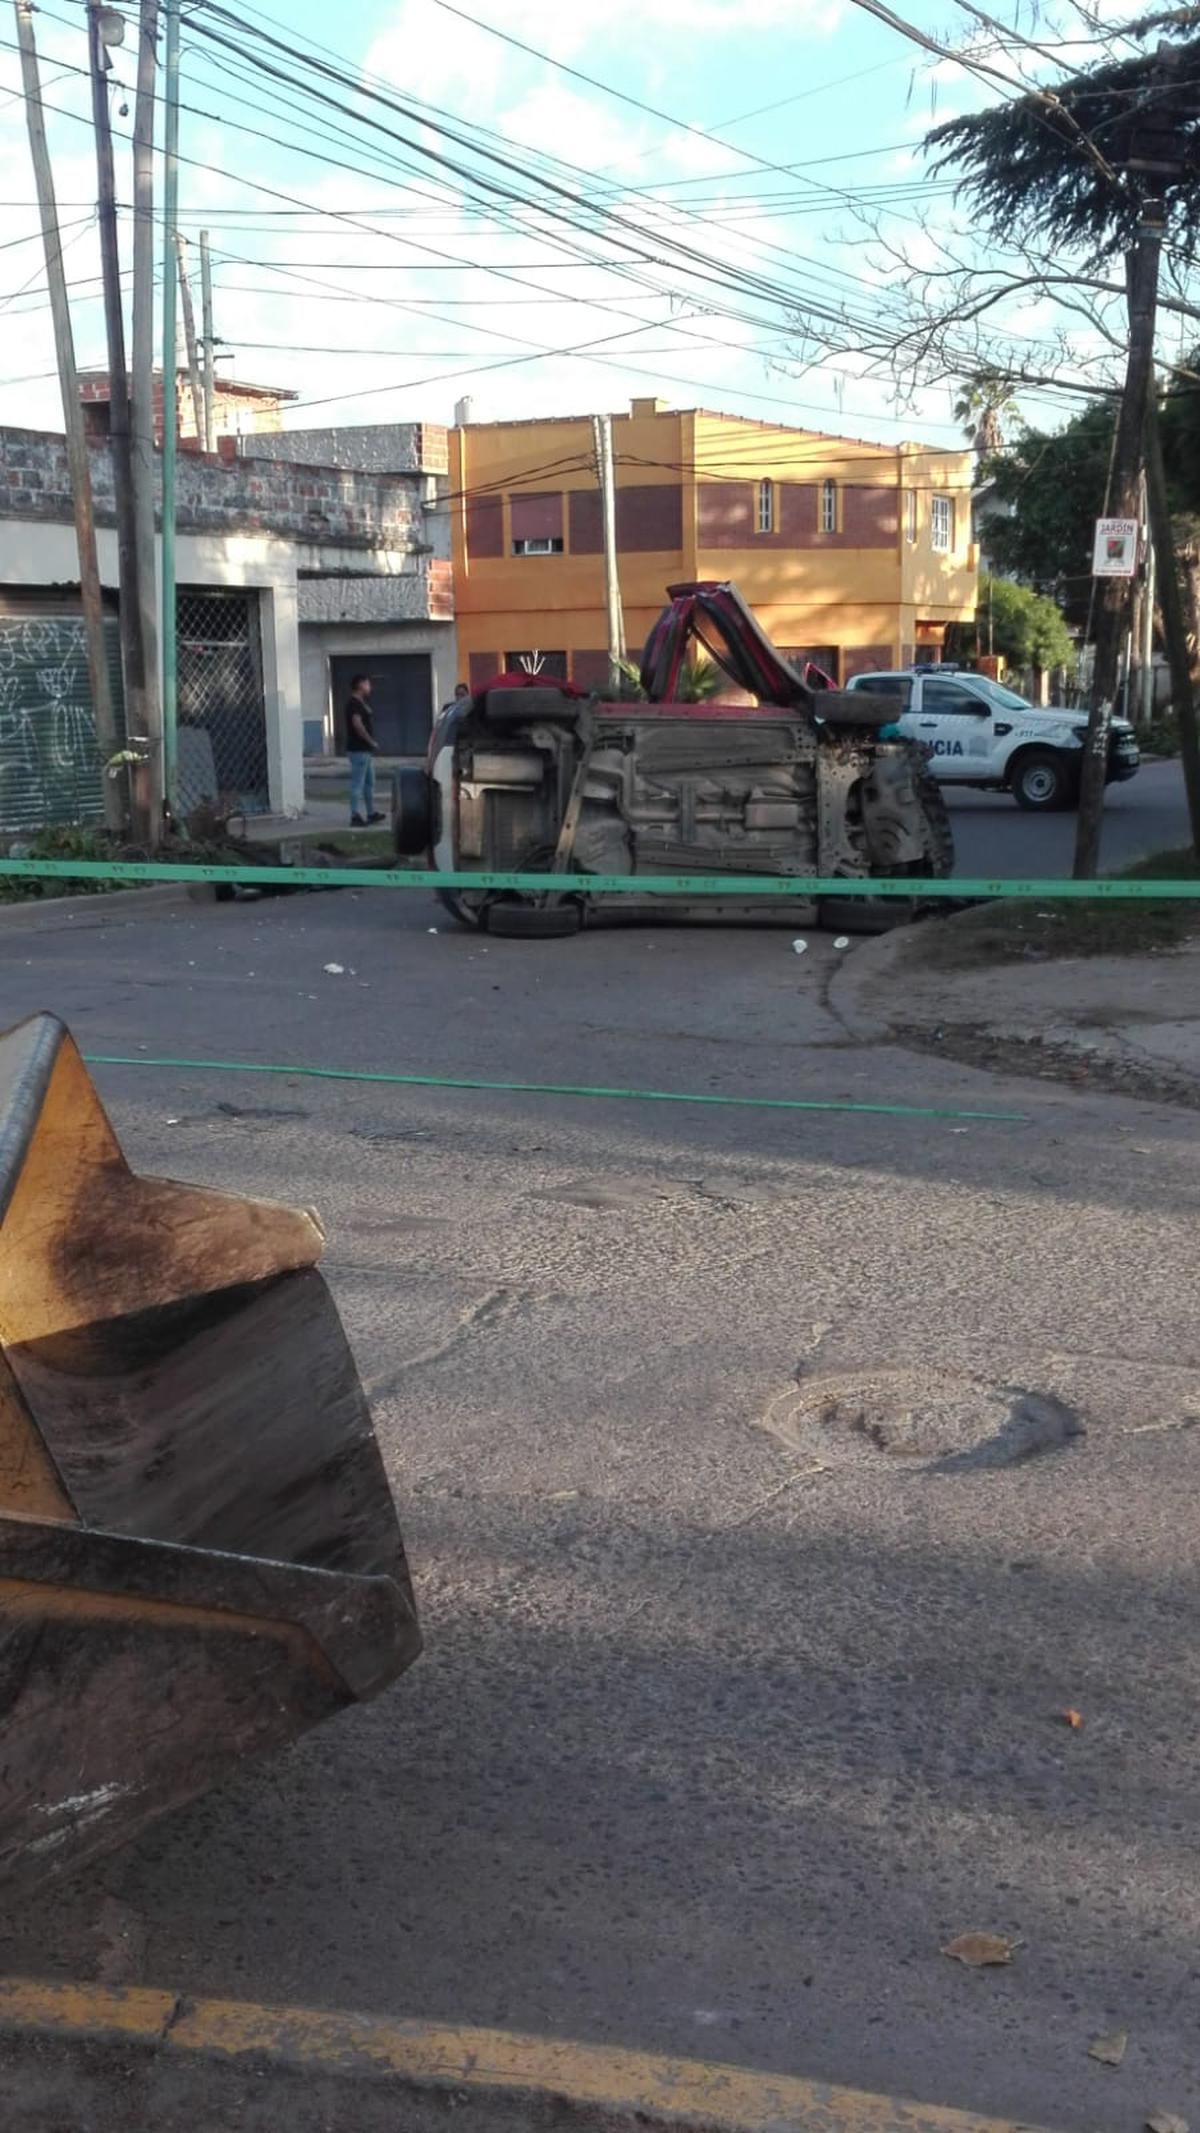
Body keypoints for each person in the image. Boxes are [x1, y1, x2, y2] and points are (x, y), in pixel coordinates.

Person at [345, 673, 383, 826]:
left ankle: (371, 813)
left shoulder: (360, 702)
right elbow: (357, 724)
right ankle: (354, 816)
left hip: (365, 750)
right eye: (367, 684)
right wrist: (370, 741)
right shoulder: (354, 703)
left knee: (369, 783)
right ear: (361, 685)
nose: (370, 687)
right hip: (358, 750)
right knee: (357, 783)